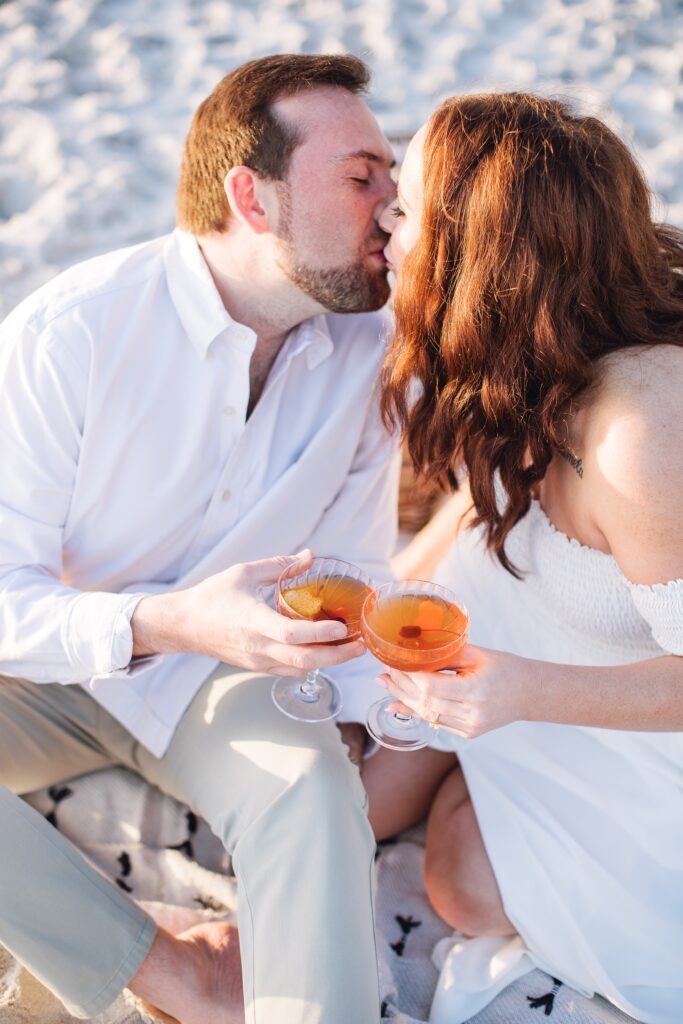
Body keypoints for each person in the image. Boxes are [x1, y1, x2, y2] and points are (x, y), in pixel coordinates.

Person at [0, 53, 399, 1024]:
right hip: (48, 669)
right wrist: (169, 618)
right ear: (251, 199)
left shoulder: (372, 347)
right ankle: (172, 974)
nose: (393, 208)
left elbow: (351, 559)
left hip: (226, 677)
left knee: (311, 797)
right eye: (361, 178)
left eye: (394, 181)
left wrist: (345, 712)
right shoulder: (74, 332)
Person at [362, 93, 683, 1024]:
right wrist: (383, 598)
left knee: (460, 882)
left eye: (410, 206)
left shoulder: (640, 431)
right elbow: (477, 502)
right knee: (364, 802)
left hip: (618, 700)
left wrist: (523, 695)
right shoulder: (522, 348)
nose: (388, 215)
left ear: (482, 255)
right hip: (537, 634)